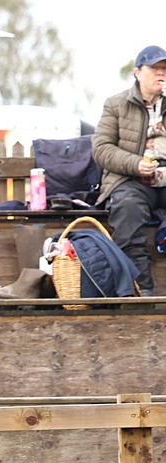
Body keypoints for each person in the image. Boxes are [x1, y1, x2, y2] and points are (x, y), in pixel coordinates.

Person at [93, 44, 166, 294]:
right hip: (131, 179)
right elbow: (101, 148)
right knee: (128, 209)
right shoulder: (116, 104)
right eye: (155, 68)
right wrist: (135, 164)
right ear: (137, 72)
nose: (161, 74)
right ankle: (140, 292)